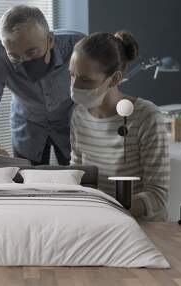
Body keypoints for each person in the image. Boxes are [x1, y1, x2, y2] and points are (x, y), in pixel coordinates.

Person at [0, 5, 84, 165]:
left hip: (71, 125)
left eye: (32, 52)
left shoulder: (79, 46)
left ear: (49, 40)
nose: (25, 62)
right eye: (14, 56)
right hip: (28, 127)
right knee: (28, 184)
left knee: (79, 180)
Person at [69, 31, 169, 220]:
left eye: (85, 79)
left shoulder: (146, 117)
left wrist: (113, 212)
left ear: (114, 79)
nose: (74, 86)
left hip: (142, 226)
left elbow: (157, 194)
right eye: (71, 76)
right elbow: (78, 173)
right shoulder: (79, 115)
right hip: (100, 220)